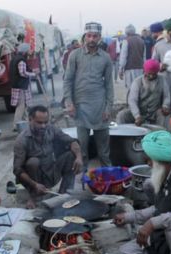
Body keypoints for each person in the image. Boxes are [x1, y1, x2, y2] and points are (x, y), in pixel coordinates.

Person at [63, 22, 114, 168]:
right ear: (85, 36)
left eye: (95, 36)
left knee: (104, 152)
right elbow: (68, 80)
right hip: (81, 108)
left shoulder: (105, 58)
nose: (92, 39)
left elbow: (109, 85)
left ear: (100, 38)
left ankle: (109, 179)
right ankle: (83, 183)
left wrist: (108, 108)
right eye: (89, 36)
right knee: (82, 150)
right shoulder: (75, 55)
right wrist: (69, 103)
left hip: (100, 108)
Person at [13, 105, 83, 209]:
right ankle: (33, 196)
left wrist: (79, 157)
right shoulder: (22, 140)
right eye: (39, 123)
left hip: (51, 172)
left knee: (71, 155)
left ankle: (65, 194)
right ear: (30, 120)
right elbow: (17, 170)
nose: (43, 126)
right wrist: (34, 184)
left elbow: (72, 141)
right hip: (33, 180)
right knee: (33, 162)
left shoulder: (51, 129)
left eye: (46, 122)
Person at [117, 59, 171, 127]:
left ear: (157, 72)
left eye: (154, 74)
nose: (151, 76)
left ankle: (163, 135)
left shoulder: (162, 80)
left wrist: (165, 106)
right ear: (145, 71)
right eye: (149, 74)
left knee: (164, 115)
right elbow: (132, 101)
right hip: (139, 113)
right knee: (122, 115)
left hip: (154, 112)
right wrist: (137, 116)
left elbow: (167, 96)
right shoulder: (137, 82)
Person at [9, 43, 36, 131]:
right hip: (20, 86)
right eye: (28, 50)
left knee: (23, 105)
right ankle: (15, 126)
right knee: (21, 106)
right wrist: (33, 74)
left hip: (17, 85)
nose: (29, 52)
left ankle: (26, 123)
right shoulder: (21, 60)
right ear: (25, 51)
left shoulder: (15, 59)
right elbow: (22, 73)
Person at [119, 24, 145, 89]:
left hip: (130, 69)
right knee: (140, 89)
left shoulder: (126, 41)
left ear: (126, 32)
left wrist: (120, 69)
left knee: (131, 90)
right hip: (141, 69)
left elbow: (123, 56)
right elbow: (144, 56)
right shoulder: (142, 41)